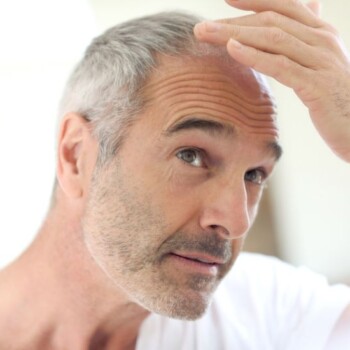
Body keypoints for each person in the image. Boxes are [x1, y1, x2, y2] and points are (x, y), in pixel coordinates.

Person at [0, 0, 349, 349]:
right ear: (75, 155)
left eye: (254, 174)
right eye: (191, 155)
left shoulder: (272, 311)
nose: (236, 221)